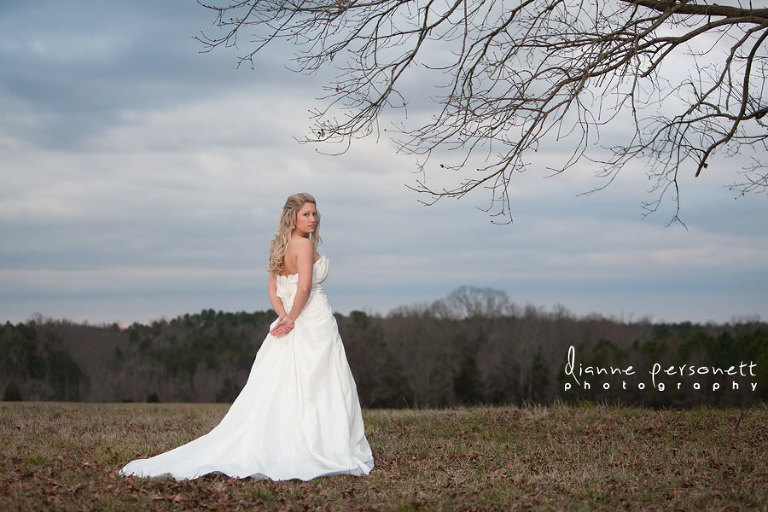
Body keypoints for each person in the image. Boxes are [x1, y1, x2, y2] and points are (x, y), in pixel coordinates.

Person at [119, 193, 374, 481]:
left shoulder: (282, 245)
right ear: (292, 216)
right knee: (321, 380)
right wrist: (289, 317)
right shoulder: (303, 244)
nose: (313, 218)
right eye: (306, 214)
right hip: (311, 318)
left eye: (315, 213)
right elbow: (303, 287)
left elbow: (273, 287)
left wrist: (282, 315)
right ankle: (321, 445)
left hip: (294, 318)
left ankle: (302, 439)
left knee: (296, 382)